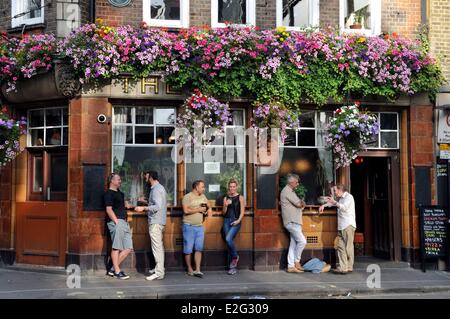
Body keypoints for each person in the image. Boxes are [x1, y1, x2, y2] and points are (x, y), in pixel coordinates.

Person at [135, 171, 167, 281]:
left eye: (147, 177)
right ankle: (159, 268)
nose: (145, 178)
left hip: (156, 222)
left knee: (157, 248)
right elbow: (156, 204)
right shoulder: (158, 188)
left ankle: (159, 272)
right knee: (158, 247)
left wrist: (143, 208)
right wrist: (146, 202)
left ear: (151, 177)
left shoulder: (156, 189)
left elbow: (157, 206)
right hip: (158, 221)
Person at [319, 184, 356, 274]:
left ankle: (349, 266)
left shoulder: (349, 197)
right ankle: (343, 267)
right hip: (341, 226)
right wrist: (324, 205)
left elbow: (344, 208)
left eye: (335, 191)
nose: (334, 193)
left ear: (340, 190)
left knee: (348, 247)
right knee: (340, 247)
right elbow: (333, 203)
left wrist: (334, 202)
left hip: (348, 225)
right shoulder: (340, 198)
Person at [104, 173, 134, 280]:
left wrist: (133, 204)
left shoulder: (120, 193)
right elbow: (109, 209)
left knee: (128, 248)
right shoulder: (108, 193)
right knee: (116, 247)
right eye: (118, 179)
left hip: (124, 222)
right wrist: (116, 222)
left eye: (120, 179)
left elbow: (124, 206)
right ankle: (117, 271)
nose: (120, 181)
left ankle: (112, 269)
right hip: (116, 222)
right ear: (112, 181)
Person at [182, 180, 212, 278]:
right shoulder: (187, 197)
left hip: (199, 226)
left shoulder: (203, 197)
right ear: (196, 187)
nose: (204, 188)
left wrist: (208, 212)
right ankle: (190, 269)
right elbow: (186, 210)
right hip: (189, 226)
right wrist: (199, 210)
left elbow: (209, 206)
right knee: (188, 249)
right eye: (202, 187)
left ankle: (197, 270)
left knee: (199, 248)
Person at [280, 173, 307, 273]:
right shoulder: (287, 191)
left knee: (293, 244)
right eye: (296, 182)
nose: (297, 184)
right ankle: (296, 261)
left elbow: (300, 204)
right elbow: (299, 204)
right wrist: (302, 202)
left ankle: (290, 266)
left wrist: (301, 203)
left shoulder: (289, 191)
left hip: (293, 221)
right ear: (291, 182)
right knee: (302, 241)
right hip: (292, 221)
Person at [222, 179, 245, 275]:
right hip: (226, 221)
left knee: (228, 239)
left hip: (236, 220)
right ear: (228, 187)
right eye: (230, 186)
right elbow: (223, 213)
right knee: (229, 242)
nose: (232, 188)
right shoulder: (225, 198)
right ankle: (232, 268)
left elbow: (242, 212)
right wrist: (226, 205)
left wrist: (238, 221)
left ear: (236, 187)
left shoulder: (240, 197)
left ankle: (235, 257)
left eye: (233, 186)